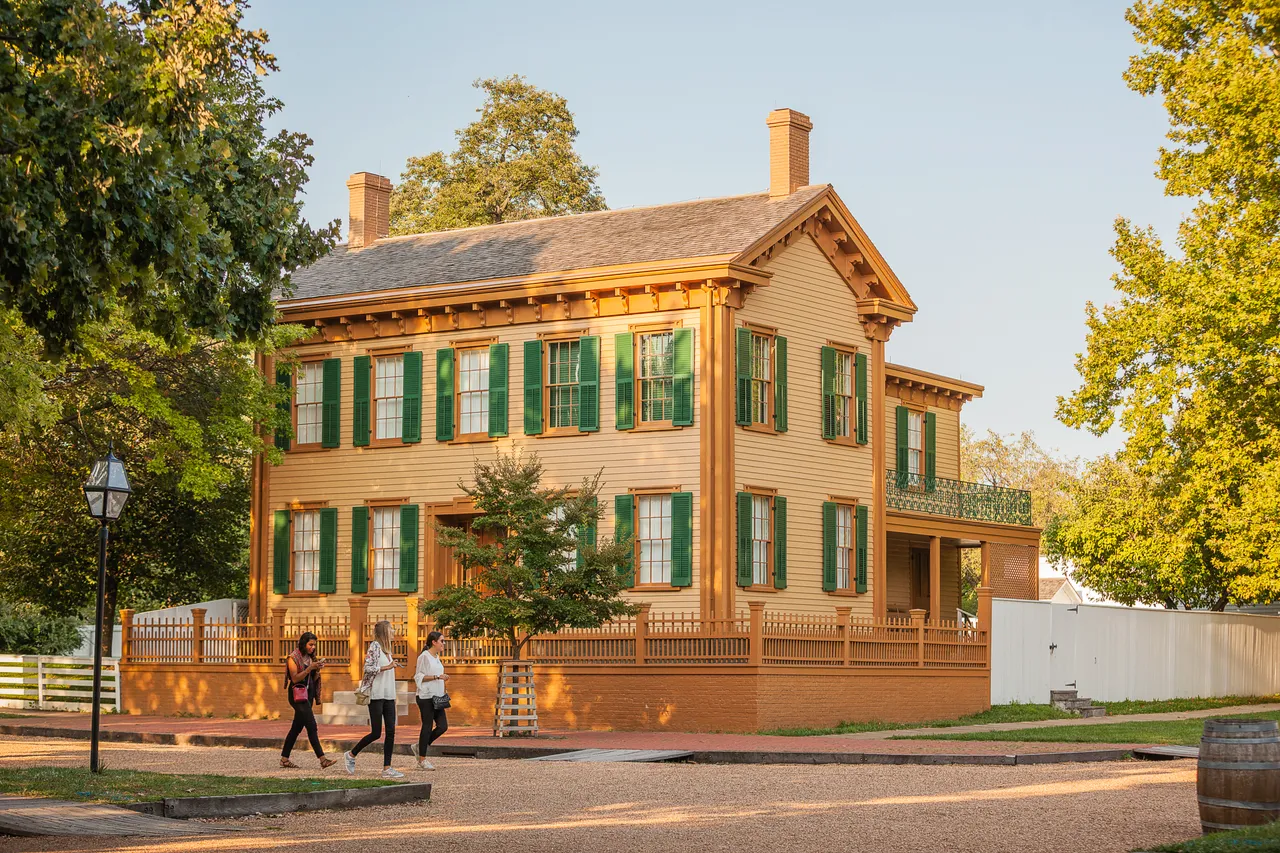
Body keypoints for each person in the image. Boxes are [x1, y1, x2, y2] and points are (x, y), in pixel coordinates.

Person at [345, 620, 403, 778]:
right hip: (377, 695)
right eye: (391, 630)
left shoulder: (387, 650)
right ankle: (351, 754)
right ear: (384, 631)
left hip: (389, 695)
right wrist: (387, 667)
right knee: (376, 733)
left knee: (391, 731)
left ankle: (387, 768)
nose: (393, 632)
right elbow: (368, 668)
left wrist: (391, 664)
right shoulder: (375, 647)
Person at [281, 632, 335, 769]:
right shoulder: (293, 658)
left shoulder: (311, 658)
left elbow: (313, 679)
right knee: (312, 725)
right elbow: (295, 678)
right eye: (310, 644)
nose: (312, 647)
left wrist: (317, 670)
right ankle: (323, 759)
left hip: (308, 695)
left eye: (314, 645)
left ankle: (284, 759)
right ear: (303, 644)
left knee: (296, 728)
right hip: (297, 696)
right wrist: (309, 668)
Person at [412, 630, 450, 771]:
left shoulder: (436, 657)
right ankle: (422, 760)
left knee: (443, 726)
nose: (443, 643)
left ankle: (419, 746)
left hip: (437, 696)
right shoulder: (424, 657)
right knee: (427, 726)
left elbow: (437, 675)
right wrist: (437, 677)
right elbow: (418, 677)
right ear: (433, 642)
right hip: (425, 696)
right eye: (442, 641)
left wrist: (442, 679)